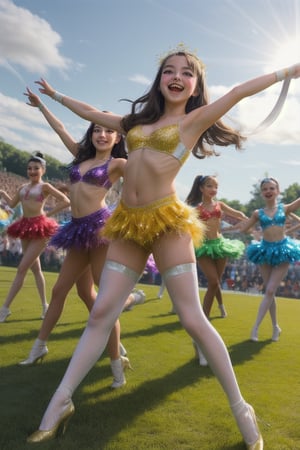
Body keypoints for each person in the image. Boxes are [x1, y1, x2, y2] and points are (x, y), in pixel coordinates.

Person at [26, 48, 300, 449]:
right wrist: (55, 97)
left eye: (186, 73)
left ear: (195, 85)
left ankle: (242, 408)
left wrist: (287, 71)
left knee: (192, 318)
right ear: (158, 80)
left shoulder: (193, 119)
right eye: (168, 70)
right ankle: (59, 403)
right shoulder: (135, 123)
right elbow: (91, 114)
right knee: (101, 311)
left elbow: (240, 90)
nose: (175, 76)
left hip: (167, 222)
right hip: (128, 223)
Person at [19, 89, 142, 388]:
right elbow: (60, 127)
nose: (102, 134)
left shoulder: (118, 163)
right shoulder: (79, 155)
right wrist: (42, 105)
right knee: (63, 290)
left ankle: (116, 364)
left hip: (99, 231)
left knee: (104, 304)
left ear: (117, 138)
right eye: (97, 129)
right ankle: (39, 346)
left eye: (109, 131)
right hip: (76, 230)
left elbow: (144, 177)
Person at [0, 152, 70, 322]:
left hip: (41, 228)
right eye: (30, 168)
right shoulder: (22, 188)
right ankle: (45, 306)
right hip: (24, 227)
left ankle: (5, 308)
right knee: (35, 269)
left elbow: (66, 200)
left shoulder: (44, 187)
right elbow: (11, 204)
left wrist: (48, 213)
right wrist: (3, 193)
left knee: (22, 268)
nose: (32, 171)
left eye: (36, 168)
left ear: (43, 170)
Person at [235, 177, 300, 342]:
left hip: (283, 250)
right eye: (265, 189)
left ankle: (255, 327)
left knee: (270, 290)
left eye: (272, 188)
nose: (268, 191)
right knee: (269, 293)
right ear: (262, 193)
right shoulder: (258, 213)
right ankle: (275, 327)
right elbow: (244, 229)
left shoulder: (284, 208)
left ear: (277, 191)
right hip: (264, 251)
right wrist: (251, 232)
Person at [186, 174, 247, 319]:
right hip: (203, 247)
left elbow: (237, 213)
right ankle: (203, 317)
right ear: (201, 188)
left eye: (216, 186)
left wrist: (249, 219)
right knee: (213, 281)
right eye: (209, 186)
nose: (213, 189)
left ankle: (220, 306)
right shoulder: (196, 208)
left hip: (220, 245)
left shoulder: (220, 205)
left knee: (216, 282)